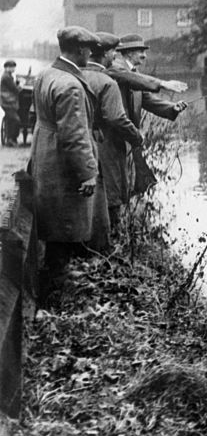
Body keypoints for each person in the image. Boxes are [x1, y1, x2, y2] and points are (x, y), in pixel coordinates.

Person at [29, 27, 101, 303]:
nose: (91, 54)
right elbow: (74, 135)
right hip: (62, 166)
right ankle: (53, 300)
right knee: (63, 233)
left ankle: (50, 295)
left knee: (54, 232)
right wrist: (88, 173)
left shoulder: (47, 74)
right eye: (88, 50)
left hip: (46, 158)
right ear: (81, 50)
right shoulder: (70, 85)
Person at [79, 32, 144, 248]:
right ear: (106, 54)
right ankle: (108, 245)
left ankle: (85, 243)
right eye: (114, 51)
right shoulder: (107, 81)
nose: (115, 55)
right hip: (106, 144)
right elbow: (116, 117)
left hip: (80, 144)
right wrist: (136, 136)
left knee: (88, 192)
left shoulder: (74, 75)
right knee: (111, 193)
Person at [107, 33, 187, 196]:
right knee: (117, 184)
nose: (144, 56)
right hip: (113, 139)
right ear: (128, 53)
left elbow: (147, 99)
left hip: (129, 137)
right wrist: (163, 83)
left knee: (134, 182)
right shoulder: (115, 68)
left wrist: (172, 108)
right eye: (140, 52)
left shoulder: (134, 73)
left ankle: (126, 216)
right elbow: (130, 78)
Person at [1, 60, 20, 146]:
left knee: (12, 120)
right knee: (16, 120)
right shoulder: (6, 77)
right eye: (12, 67)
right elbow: (15, 90)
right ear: (7, 67)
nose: (14, 69)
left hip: (7, 101)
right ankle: (11, 139)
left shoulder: (7, 76)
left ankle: (11, 139)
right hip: (8, 102)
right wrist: (21, 86)